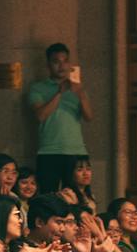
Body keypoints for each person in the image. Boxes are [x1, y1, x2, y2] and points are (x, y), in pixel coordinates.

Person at [26, 42, 92, 194]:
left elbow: (89, 117)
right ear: (48, 65)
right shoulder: (38, 88)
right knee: (49, 196)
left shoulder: (78, 89)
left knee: (79, 195)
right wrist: (60, 92)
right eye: (56, 62)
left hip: (76, 149)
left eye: (65, 61)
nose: (61, 66)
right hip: (49, 151)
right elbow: (41, 115)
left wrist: (81, 95)